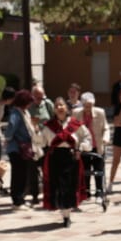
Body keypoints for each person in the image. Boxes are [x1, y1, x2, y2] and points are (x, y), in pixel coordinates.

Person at [40, 98, 90, 228]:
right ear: (54, 109)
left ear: (67, 108)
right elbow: (41, 142)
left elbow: (87, 138)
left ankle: (67, 215)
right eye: (56, 105)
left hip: (71, 158)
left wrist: (81, 147)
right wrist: (35, 131)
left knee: (69, 187)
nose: (59, 107)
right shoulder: (48, 126)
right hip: (55, 159)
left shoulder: (76, 124)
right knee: (58, 186)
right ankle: (64, 213)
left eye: (61, 105)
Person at [5, 90, 42, 209]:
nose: (30, 105)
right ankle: (17, 201)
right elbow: (10, 130)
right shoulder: (15, 113)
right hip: (17, 149)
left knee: (22, 174)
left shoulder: (23, 112)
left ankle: (20, 198)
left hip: (24, 149)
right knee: (18, 175)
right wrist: (9, 139)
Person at [76, 92, 109, 204]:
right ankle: (87, 193)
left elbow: (106, 128)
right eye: (86, 106)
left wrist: (106, 138)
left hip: (97, 145)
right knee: (85, 171)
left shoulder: (100, 113)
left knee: (98, 170)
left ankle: (99, 193)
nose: (88, 108)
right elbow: (72, 129)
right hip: (83, 146)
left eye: (90, 106)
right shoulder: (76, 113)